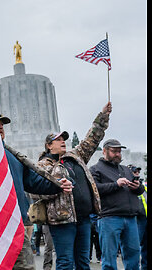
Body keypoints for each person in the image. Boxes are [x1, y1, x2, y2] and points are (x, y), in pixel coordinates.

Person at [0, 112, 73, 270]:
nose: (1, 128)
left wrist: (57, 185)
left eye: (2, 125)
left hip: (16, 229)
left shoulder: (13, 156)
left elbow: (34, 182)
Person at [32, 102, 112, 270]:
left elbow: (92, 138)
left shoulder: (75, 156)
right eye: (58, 139)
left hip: (84, 219)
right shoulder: (42, 165)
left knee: (83, 262)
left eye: (64, 139)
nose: (63, 142)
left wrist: (103, 116)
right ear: (49, 145)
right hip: (62, 222)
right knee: (65, 262)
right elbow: (36, 192)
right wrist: (58, 185)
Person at [89, 140, 145, 270]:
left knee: (134, 256)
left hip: (131, 218)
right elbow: (94, 190)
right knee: (109, 259)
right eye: (114, 151)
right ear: (104, 151)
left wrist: (137, 186)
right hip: (109, 218)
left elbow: (140, 190)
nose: (117, 154)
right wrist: (116, 184)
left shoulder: (126, 169)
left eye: (119, 151)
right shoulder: (95, 169)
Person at [128, 165, 147, 270]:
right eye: (135, 172)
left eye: (138, 172)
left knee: (145, 246)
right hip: (136, 219)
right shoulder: (129, 186)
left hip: (145, 218)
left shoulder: (143, 185)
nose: (137, 174)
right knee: (134, 246)